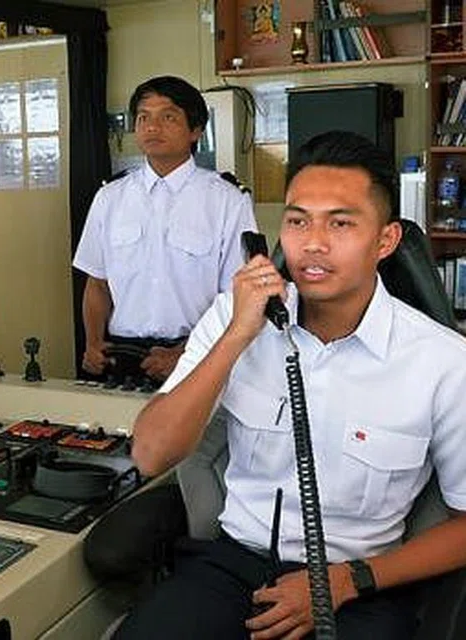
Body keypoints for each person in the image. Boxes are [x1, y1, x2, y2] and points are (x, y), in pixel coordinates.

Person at [121, 131, 466, 639]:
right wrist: (239, 334)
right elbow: (150, 455)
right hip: (235, 565)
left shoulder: (443, 361)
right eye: (298, 220)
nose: (314, 243)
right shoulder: (232, 319)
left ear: (386, 240)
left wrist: (347, 581)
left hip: (361, 583)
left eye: (341, 223)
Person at [72, 76, 255, 385]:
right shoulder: (110, 197)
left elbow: (236, 297)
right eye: (143, 117)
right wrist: (92, 342)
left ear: (196, 130)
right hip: (121, 355)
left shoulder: (227, 200)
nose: (152, 127)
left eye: (167, 117)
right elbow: (97, 283)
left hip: (198, 355)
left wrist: (184, 353)